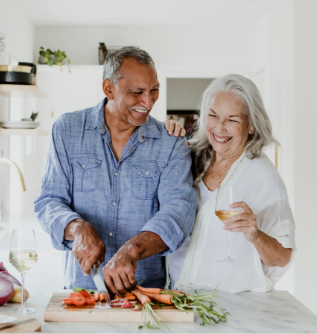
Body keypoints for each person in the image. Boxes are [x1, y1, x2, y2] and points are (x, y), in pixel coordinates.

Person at [34, 46, 196, 294]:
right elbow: (48, 201)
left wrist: (132, 250)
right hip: (81, 291)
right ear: (108, 88)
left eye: (154, 91)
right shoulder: (67, 130)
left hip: (145, 293)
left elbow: (178, 212)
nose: (148, 102)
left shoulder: (171, 142)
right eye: (136, 92)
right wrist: (77, 228)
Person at [164, 74, 296, 293]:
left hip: (228, 307)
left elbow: (282, 257)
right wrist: (165, 134)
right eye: (213, 116)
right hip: (175, 297)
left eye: (232, 120)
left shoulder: (262, 175)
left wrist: (256, 235)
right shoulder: (191, 157)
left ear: (251, 125)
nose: (219, 127)